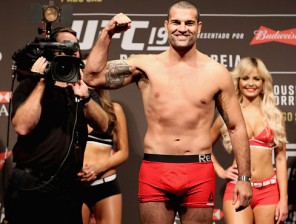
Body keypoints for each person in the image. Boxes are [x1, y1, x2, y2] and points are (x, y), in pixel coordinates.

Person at [83, 1, 252, 223]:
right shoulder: (145, 66)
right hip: (155, 169)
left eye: (189, 23)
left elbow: (236, 126)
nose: (182, 28)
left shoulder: (217, 72)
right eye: (176, 22)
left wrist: (244, 178)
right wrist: (108, 33)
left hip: (198, 169)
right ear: (166, 25)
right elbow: (92, 76)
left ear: (199, 27)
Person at [4, 27, 109, 224]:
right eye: (65, 48)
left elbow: (104, 125)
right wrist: (42, 81)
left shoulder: (82, 88)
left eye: (74, 48)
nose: (71, 52)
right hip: (30, 184)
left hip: (68, 188)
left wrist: (85, 98)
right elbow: (23, 127)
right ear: (52, 52)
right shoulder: (30, 85)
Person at [211, 57, 288, 224]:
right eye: (245, 78)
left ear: (263, 82)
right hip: (238, 187)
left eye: (256, 78)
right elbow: (204, 145)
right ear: (238, 81)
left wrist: (284, 199)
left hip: (269, 190)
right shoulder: (228, 113)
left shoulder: (275, 116)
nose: (250, 83)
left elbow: (281, 159)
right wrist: (220, 170)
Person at [80, 89, 129, 224]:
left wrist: (98, 169)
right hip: (76, 184)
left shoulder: (113, 109)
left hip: (105, 183)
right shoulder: (70, 109)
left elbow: (123, 152)